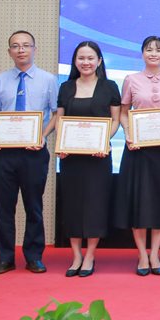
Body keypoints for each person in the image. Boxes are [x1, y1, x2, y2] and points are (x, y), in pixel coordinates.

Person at [0, 30, 57, 275]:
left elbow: (56, 114)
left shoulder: (48, 80)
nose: (21, 50)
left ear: (34, 49)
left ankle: (34, 256)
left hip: (34, 153)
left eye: (26, 45)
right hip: (4, 154)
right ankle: (5, 257)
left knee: (34, 206)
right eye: (15, 46)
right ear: (9, 52)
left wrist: (42, 136)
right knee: (4, 208)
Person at [114, 36, 160, 276]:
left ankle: (155, 254)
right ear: (142, 53)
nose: (154, 53)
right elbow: (124, 112)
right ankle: (142, 254)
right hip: (137, 150)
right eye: (149, 49)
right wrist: (129, 134)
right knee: (138, 202)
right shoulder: (131, 80)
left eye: (159, 50)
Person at [55, 40, 120, 277]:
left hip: (98, 157)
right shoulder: (65, 87)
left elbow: (115, 120)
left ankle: (90, 255)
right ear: (75, 61)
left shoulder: (109, 87)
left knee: (95, 205)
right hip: (71, 157)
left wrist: (103, 141)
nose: (86, 62)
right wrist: (61, 145)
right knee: (72, 204)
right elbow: (60, 120)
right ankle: (76, 256)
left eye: (91, 58)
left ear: (99, 61)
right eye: (81, 58)